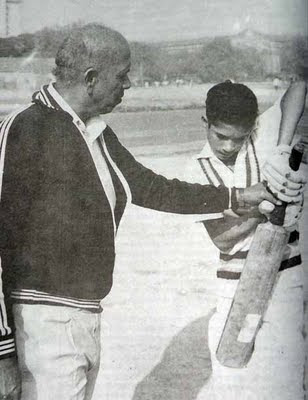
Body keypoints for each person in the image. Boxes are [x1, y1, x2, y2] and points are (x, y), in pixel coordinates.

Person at [0, 25, 303, 400]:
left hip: (87, 315)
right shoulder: (25, 127)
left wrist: (240, 196)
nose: (127, 84)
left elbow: (152, 188)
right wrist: (3, 350)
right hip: (39, 323)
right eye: (122, 74)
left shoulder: (95, 132)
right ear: (91, 79)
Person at [184, 80, 307, 399]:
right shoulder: (193, 170)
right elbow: (224, 240)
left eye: (237, 138)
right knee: (231, 376)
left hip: (285, 279)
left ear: (251, 127)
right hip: (235, 285)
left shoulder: (262, 133)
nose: (227, 146)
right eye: (220, 136)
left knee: (285, 379)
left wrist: (281, 149)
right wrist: (268, 205)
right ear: (205, 123)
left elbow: (299, 86)